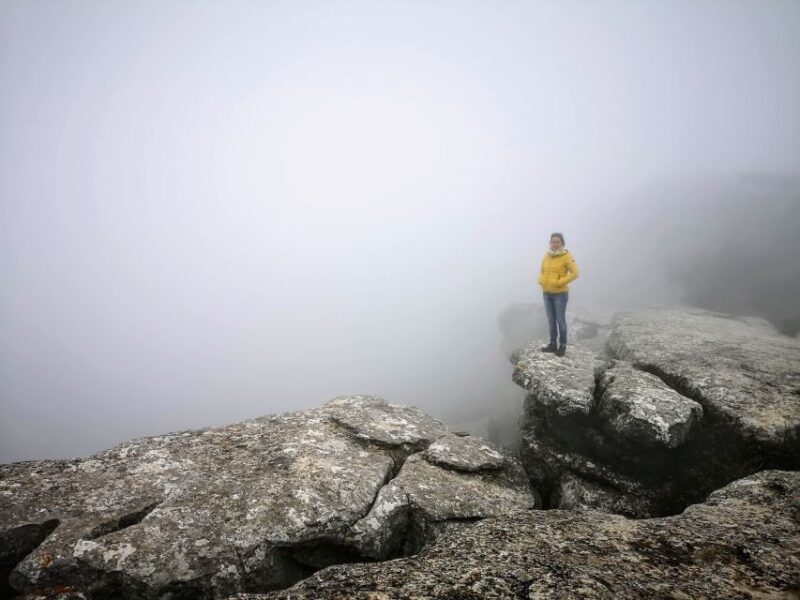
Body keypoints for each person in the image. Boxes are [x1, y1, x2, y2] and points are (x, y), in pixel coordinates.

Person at [538, 232, 579, 357]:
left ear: (562, 244)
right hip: (546, 293)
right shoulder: (546, 256)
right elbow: (542, 271)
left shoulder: (566, 256)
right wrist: (541, 280)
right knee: (551, 320)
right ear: (550, 243)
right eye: (553, 242)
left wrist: (560, 282)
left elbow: (575, 272)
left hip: (560, 294)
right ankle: (552, 344)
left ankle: (562, 345)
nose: (555, 244)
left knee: (560, 320)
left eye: (557, 242)